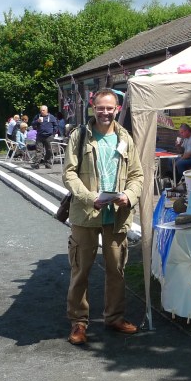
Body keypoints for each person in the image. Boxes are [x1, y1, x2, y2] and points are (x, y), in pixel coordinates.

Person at [63, 88, 143, 346]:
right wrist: (89, 197)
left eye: (110, 108)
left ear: (117, 109)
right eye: (101, 107)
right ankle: (79, 322)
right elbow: (69, 173)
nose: (105, 112)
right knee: (80, 270)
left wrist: (129, 196)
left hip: (117, 215)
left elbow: (137, 176)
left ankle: (114, 317)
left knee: (116, 270)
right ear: (93, 108)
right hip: (86, 214)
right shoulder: (79, 136)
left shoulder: (125, 137)